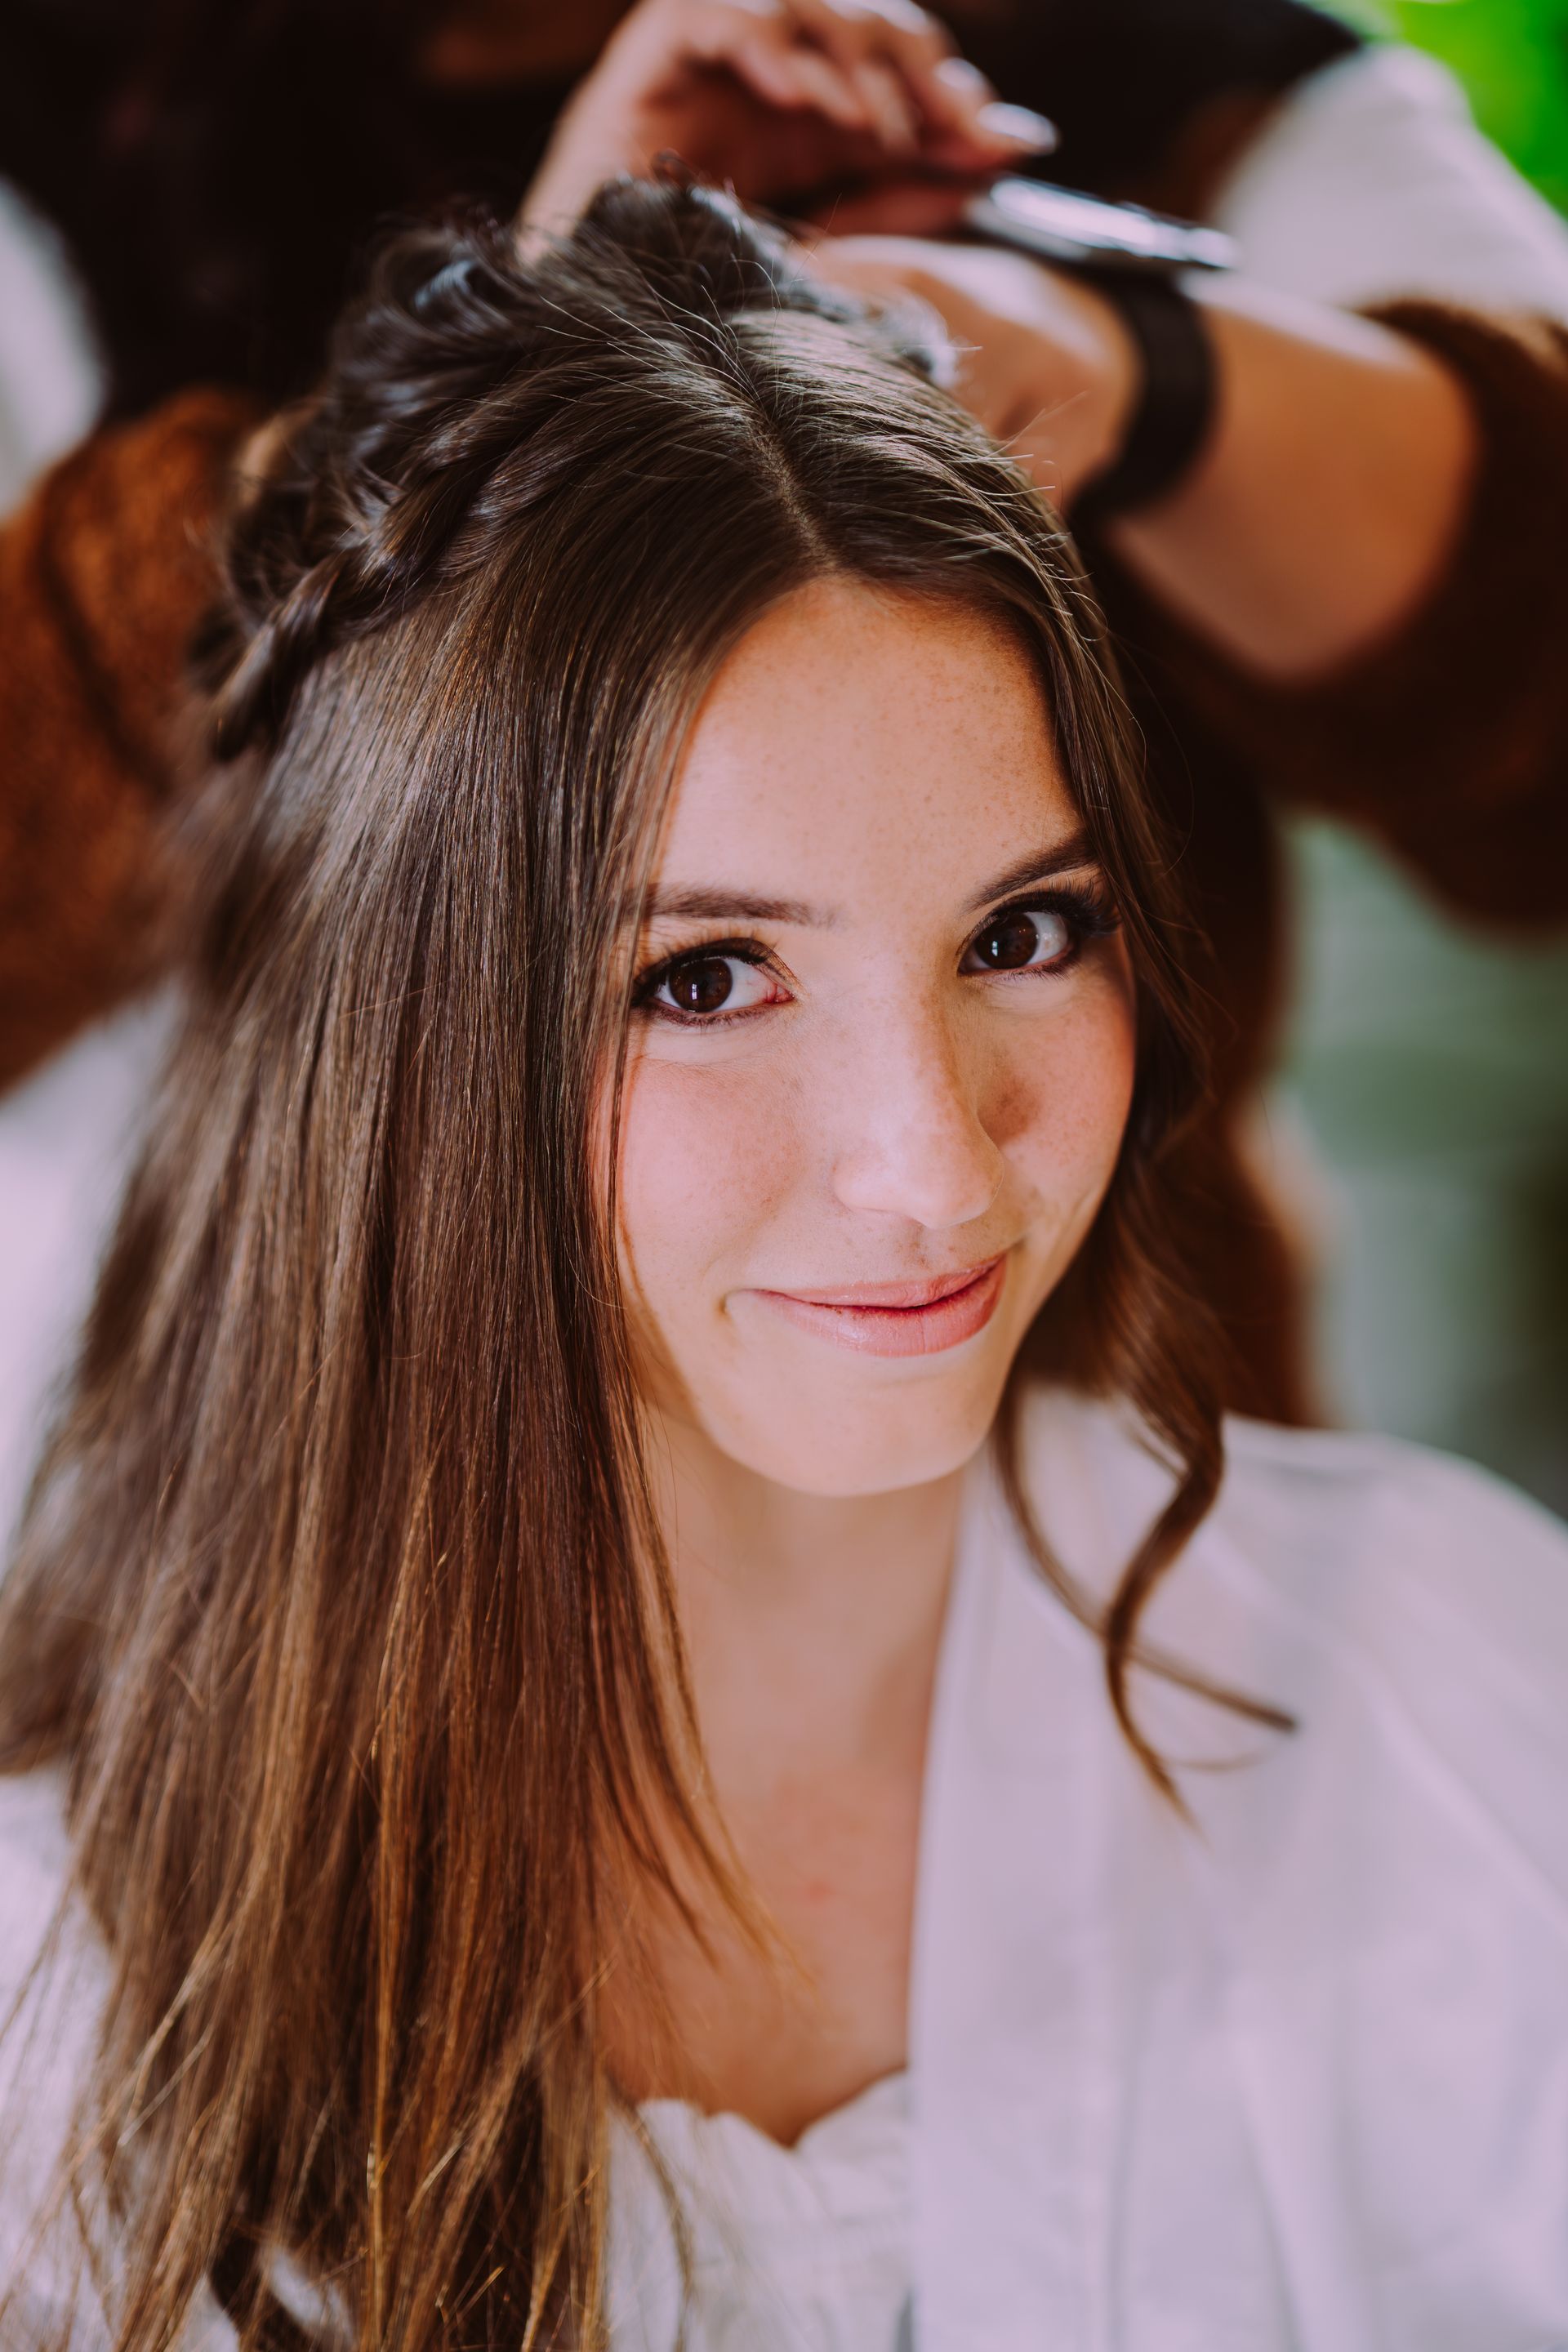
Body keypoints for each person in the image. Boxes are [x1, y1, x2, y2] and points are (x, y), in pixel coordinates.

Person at [3, 178, 1568, 2352]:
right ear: (406, 1033)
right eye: (709, 976)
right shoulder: (47, 1988)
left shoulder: (1475, 1711)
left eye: (1025, 934)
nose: (932, 1169)